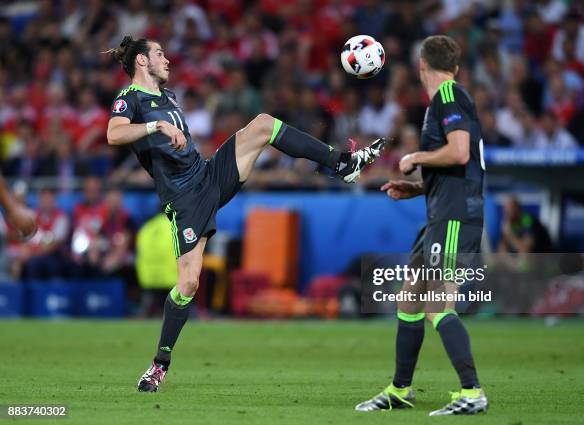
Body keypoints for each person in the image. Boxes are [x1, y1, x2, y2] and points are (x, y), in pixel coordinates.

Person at [104, 36, 385, 392]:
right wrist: (156, 126)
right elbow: (113, 134)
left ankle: (342, 163)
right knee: (189, 283)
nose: (167, 59)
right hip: (184, 200)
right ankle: (159, 365)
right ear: (142, 62)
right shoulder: (129, 98)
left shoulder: (168, 97)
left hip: (207, 176)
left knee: (263, 124)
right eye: (159, 54)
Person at [356, 35, 487, 415]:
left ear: (421, 66)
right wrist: (415, 188)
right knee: (409, 297)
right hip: (438, 213)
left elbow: (460, 151)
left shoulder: (448, 95)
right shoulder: (446, 101)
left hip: (454, 217)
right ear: (456, 66)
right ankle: (400, 390)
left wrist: (415, 156)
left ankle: (472, 393)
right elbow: (461, 164)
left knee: (438, 305)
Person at [0, 174, 37, 240]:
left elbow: (34, 235)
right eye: (17, 195)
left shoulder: (32, 212)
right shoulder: (4, 213)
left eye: (21, 195)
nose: (19, 198)